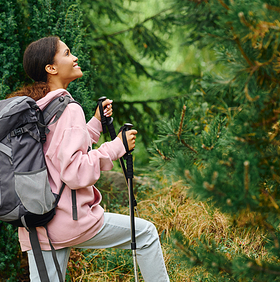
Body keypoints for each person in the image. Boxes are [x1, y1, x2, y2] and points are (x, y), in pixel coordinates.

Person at [11, 36, 169, 281]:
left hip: (38, 224)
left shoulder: (36, 107)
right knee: (146, 234)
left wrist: (95, 123)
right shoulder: (68, 107)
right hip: (68, 220)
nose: (74, 58)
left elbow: (57, 153)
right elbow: (74, 172)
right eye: (66, 53)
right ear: (51, 68)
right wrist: (117, 147)